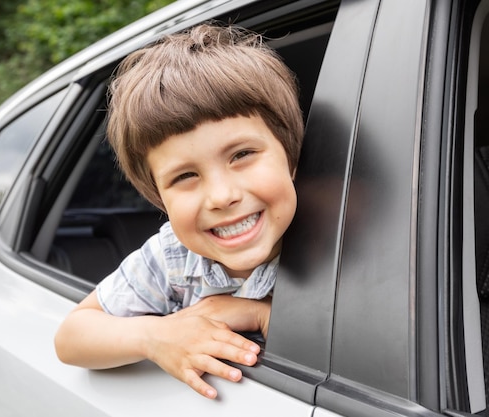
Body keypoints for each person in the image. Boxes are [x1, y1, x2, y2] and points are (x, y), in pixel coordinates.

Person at [54, 23, 304, 400]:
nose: (221, 196)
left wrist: (261, 315)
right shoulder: (173, 257)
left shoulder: (335, 239)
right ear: (160, 199)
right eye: (186, 176)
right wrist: (158, 336)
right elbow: (71, 337)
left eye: (242, 155)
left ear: (291, 155)